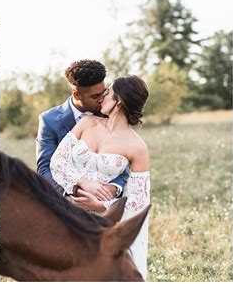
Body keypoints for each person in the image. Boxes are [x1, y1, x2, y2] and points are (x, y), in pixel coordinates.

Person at [50, 75, 150, 279]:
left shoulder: (137, 147)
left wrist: (101, 206)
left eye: (108, 93)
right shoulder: (87, 123)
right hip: (67, 209)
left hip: (103, 221)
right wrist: (81, 181)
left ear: (119, 100)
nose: (102, 98)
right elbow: (56, 162)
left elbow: (140, 202)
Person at [36, 60, 129, 202]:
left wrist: (112, 190)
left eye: (103, 93)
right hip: (65, 205)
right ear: (77, 95)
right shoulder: (49, 120)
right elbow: (44, 169)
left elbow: (123, 161)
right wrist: (73, 195)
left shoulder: (110, 114)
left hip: (105, 203)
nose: (101, 100)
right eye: (95, 96)